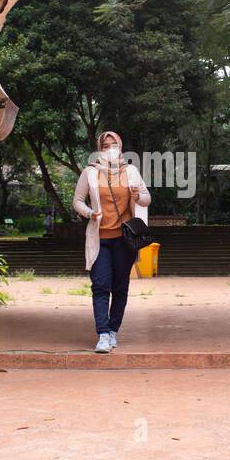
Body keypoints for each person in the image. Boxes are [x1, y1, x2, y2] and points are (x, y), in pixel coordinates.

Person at [72, 130, 151, 352]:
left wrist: (137, 196)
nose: (109, 149)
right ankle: (103, 334)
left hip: (124, 240)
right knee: (100, 286)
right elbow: (77, 200)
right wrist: (89, 213)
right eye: (105, 145)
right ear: (99, 149)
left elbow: (147, 198)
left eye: (113, 144)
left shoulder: (131, 171)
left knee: (119, 287)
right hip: (99, 238)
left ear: (120, 147)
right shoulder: (90, 172)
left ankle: (113, 330)